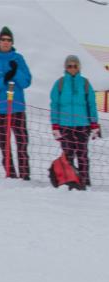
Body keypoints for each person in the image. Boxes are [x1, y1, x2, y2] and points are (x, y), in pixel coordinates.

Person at [0, 27, 32, 180]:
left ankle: (24, 175)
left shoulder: (18, 59)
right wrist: (2, 80)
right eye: (3, 39)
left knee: (22, 142)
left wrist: (16, 72)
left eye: (9, 40)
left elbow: (26, 82)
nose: (6, 42)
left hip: (17, 107)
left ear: (12, 42)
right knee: (5, 144)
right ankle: (10, 174)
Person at [50, 55, 100, 187]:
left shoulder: (85, 83)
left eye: (75, 66)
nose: (72, 68)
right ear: (66, 68)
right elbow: (54, 104)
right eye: (69, 66)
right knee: (68, 155)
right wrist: (55, 125)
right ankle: (70, 180)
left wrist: (94, 123)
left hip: (83, 126)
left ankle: (84, 181)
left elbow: (91, 104)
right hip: (65, 126)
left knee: (82, 155)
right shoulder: (59, 83)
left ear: (79, 67)